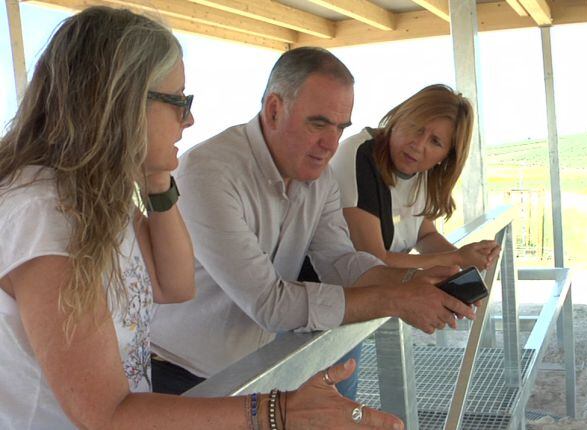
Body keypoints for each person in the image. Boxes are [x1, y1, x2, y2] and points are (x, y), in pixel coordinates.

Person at [0, 7, 401, 429]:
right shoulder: (45, 214)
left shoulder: (102, 200)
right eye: (178, 101)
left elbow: (175, 286)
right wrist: (279, 412)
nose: (188, 119)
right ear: (119, 102)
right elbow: (107, 414)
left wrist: (157, 178)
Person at [151, 47, 477, 400]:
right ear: (274, 109)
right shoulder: (209, 173)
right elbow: (270, 303)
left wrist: (416, 281)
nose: (331, 143)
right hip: (177, 378)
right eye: (318, 123)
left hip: (254, 371)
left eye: (340, 128)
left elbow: (340, 261)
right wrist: (398, 299)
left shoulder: (318, 179)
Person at [331, 84, 501, 271]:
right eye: (415, 127)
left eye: (435, 141)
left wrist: (467, 261)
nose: (418, 145)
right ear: (398, 118)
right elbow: (374, 261)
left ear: (446, 156)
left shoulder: (421, 169)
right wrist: (456, 258)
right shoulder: (358, 155)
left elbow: (424, 236)